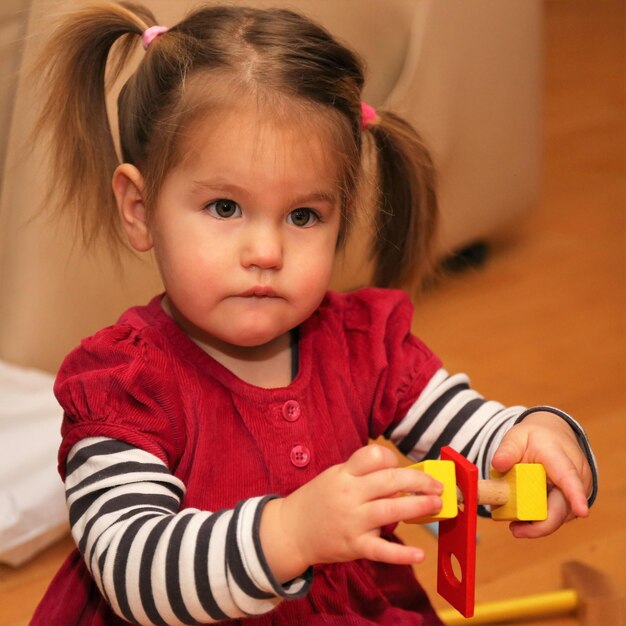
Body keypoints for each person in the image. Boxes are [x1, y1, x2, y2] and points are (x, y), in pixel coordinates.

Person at [30, 3, 597, 625]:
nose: (267, 252)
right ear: (140, 209)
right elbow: (132, 571)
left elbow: (473, 434)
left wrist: (533, 440)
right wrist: (290, 533)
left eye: (304, 216)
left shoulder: (362, 343)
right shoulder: (124, 385)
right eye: (224, 208)